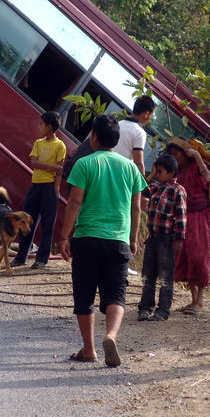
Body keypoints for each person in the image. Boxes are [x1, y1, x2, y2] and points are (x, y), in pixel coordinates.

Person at [59, 114, 147, 367]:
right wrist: (133, 239)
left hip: (87, 238)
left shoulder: (84, 164)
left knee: (84, 295)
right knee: (116, 294)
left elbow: (75, 201)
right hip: (118, 239)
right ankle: (111, 335)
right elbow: (136, 208)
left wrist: (65, 236)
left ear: (94, 137)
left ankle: (89, 349)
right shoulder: (131, 167)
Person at [12, 111, 68, 269]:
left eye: (41, 124)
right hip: (36, 185)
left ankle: (42, 259)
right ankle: (21, 256)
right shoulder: (38, 142)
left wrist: (56, 189)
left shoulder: (60, 145)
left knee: (48, 224)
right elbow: (34, 163)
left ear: (49, 127)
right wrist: (52, 167)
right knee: (27, 221)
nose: (39, 127)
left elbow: (60, 171)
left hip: (50, 187)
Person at [165, 138, 210, 315]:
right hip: (182, 217)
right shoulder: (175, 171)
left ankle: (199, 302)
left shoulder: (197, 166)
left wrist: (199, 158)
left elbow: (208, 178)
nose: (175, 157)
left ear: (185, 153)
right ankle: (193, 301)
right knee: (185, 256)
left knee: (199, 256)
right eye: (172, 155)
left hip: (200, 216)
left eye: (177, 154)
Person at [138, 153, 187, 322]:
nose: (157, 175)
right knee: (148, 274)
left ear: (171, 172)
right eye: (156, 172)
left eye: (160, 172)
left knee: (166, 276)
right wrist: (151, 175)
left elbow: (181, 217)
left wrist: (179, 239)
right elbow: (143, 189)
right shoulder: (156, 187)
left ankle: (163, 310)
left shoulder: (177, 191)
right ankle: (145, 307)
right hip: (153, 237)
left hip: (167, 239)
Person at [112, 95, 155, 175]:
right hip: (117, 174)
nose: (150, 118)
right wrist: (142, 184)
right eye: (151, 115)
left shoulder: (119, 124)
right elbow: (138, 163)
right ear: (146, 113)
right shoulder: (140, 132)